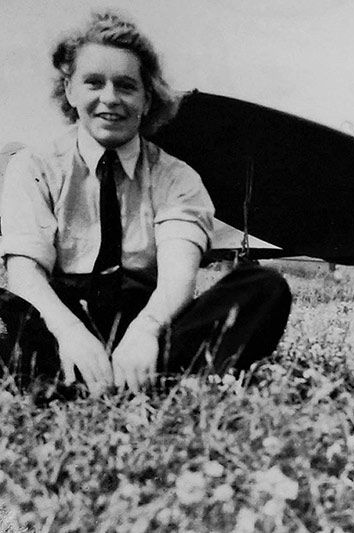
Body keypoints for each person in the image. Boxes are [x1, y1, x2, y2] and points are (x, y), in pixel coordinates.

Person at [0, 12, 291, 398]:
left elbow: (176, 280)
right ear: (69, 90)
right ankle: (130, 380)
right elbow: (25, 273)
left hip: (148, 322)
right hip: (58, 320)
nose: (110, 99)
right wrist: (70, 333)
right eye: (93, 83)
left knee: (264, 288)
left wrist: (146, 333)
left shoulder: (177, 177)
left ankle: (87, 381)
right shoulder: (32, 165)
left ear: (147, 98)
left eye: (126, 86)